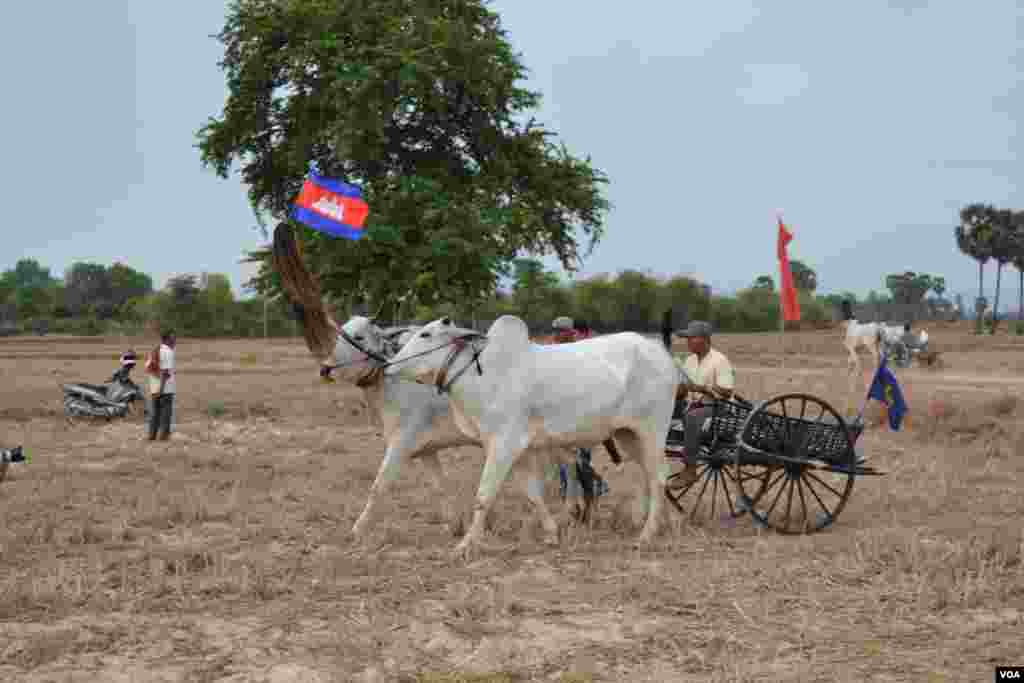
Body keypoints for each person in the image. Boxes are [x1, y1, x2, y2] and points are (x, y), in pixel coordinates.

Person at [673, 321, 735, 486]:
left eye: (691, 338)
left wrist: (703, 388)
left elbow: (726, 391)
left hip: (718, 408)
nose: (687, 342)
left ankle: (690, 470)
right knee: (665, 409)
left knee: (692, 417)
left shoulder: (720, 360)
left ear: (705, 339)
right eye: (687, 338)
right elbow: (684, 390)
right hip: (695, 406)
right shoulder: (690, 360)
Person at [147, 329, 177, 441]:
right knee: (166, 413)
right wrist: (161, 389)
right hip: (165, 389)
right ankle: (164, 436)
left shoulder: (155, 350)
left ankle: (151, 435)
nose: (175, 340)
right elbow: (165, 372)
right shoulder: (168, 352)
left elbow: (149, 368)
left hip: (154, 387)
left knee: (155, 413)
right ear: (167, 339)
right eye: (173, 338)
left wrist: (156, 387)